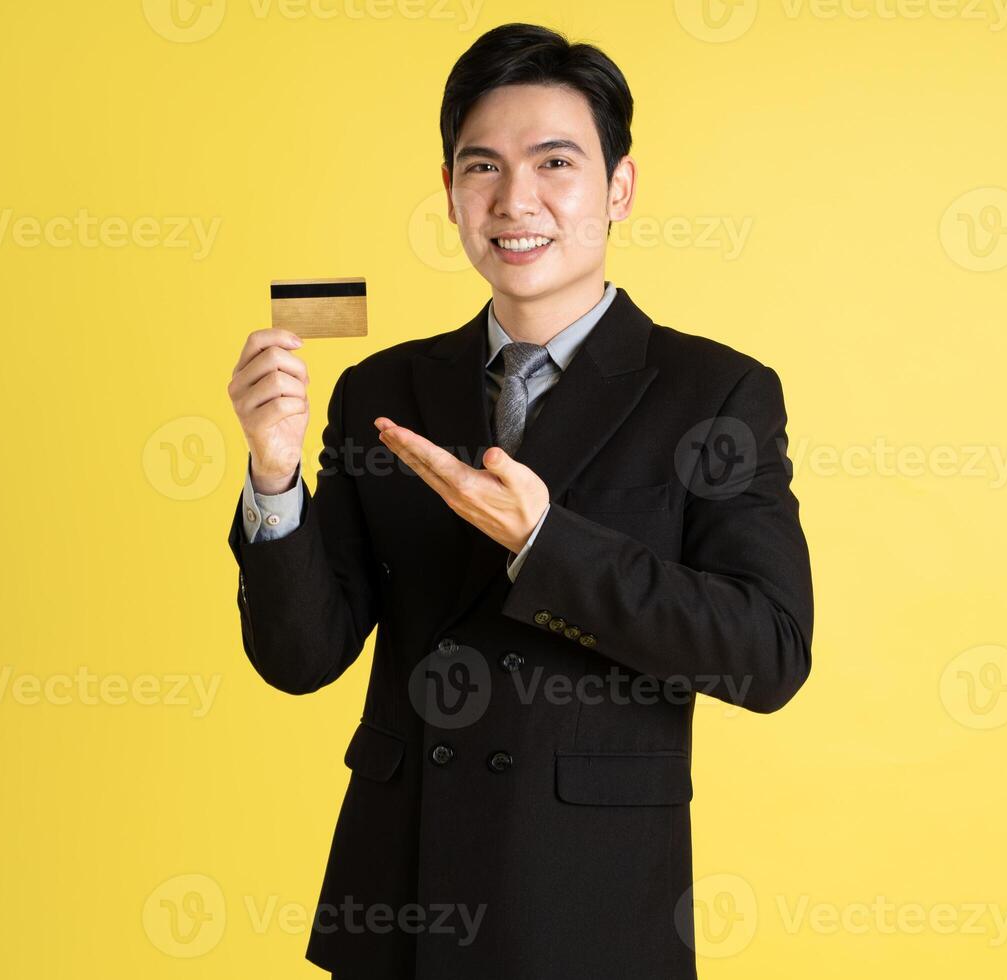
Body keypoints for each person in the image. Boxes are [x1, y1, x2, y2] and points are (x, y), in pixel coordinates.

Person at [224, 22, 813, 980]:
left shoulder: (715, 392)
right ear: (451, 192)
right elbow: (298, 659)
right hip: (402, 897)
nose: (515, 200)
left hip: (588, 902)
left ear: (619, 187)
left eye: (555, 163)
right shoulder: (381, 392)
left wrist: (545, 543)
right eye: (482, 167)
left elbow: (768, 654)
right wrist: (274, 477)